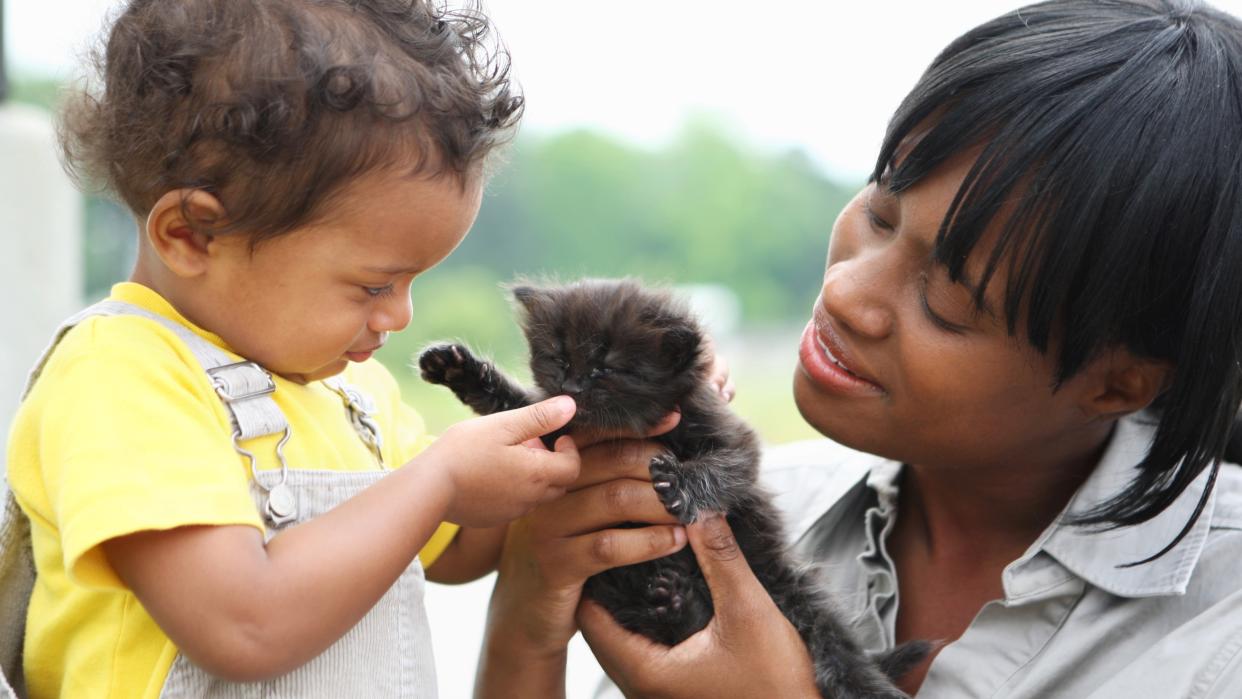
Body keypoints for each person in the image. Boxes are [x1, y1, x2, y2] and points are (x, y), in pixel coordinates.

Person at [473, 0, 1242, 696]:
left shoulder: (1217, 640)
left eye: (946, 302)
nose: (845, 294)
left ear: (1116, 383)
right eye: (879, 211)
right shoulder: (763, 504)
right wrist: (525, 616)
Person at [2, 1, 589, 697]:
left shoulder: (350, 394)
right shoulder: (120, 376)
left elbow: (456, 542)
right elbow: (243, 622)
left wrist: (580, 449)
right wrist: (440, 479)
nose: (400, 314)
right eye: (374, 283)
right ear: (193, 235)